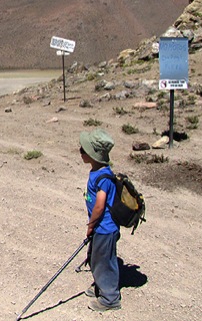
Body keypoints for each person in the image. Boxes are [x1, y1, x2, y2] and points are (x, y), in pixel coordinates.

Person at [79, 128, 121, 312]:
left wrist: (91, 225)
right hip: (100, 227)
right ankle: (100, 284)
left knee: (104, 261)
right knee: (96, 258)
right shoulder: (96, 171)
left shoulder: (104, 177)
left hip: (104, 227)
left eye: (84, 150)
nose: (80, 151)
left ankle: (110, 298)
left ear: (93, 155)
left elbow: (100, 206)